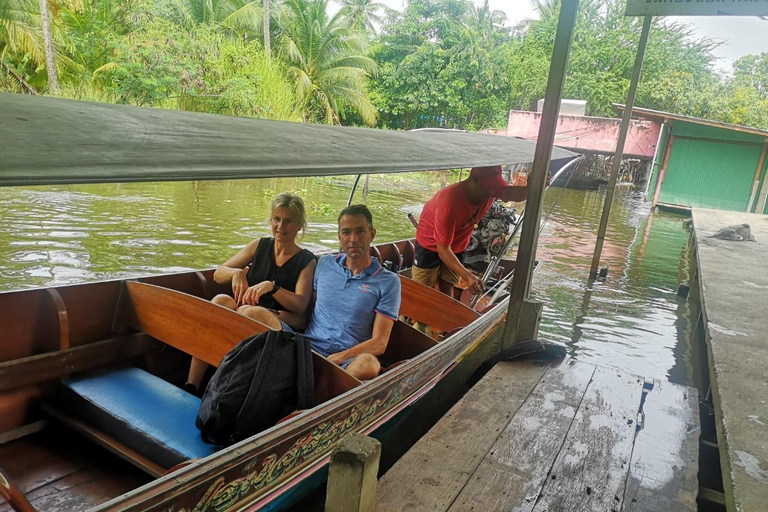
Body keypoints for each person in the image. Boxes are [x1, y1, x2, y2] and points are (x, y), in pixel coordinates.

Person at [185, 192, 316, 394]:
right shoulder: (259, 245)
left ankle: (225, 389)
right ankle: (192, 385)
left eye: (288, 221)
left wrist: (272, 287)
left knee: (249, 312)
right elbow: (218, 274)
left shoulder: (306, 260)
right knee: (220, 300)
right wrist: (236, 273)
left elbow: (300, 305)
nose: (281, 227)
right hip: (243, 313)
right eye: (277, 219)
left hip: (274, 323)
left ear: (299, 225)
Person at [298, 204, 401, 381]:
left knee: (369, 363)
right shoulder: (324, 264)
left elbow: (380, 343)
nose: (353, 239)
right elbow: (309, 309)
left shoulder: (389, 282)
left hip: (348, 359)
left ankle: (326, 399)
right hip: (308, 345)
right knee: (256, 314)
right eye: (346, 232)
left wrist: (342, 356)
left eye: (360, 231)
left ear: (372, 234)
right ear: (339, 237)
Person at [413, 165, 529, 298]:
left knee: (448, 282)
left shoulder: (489, 190)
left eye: (494, 190)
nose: (492, 194)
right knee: (423, 288)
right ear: (473, 180)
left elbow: (511, 193)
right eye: (488, 190)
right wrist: (468, 276)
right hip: (430, 242)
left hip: (459, 243)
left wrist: (529, 187)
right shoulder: (449, 203)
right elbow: (443, 250)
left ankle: (447, 312)